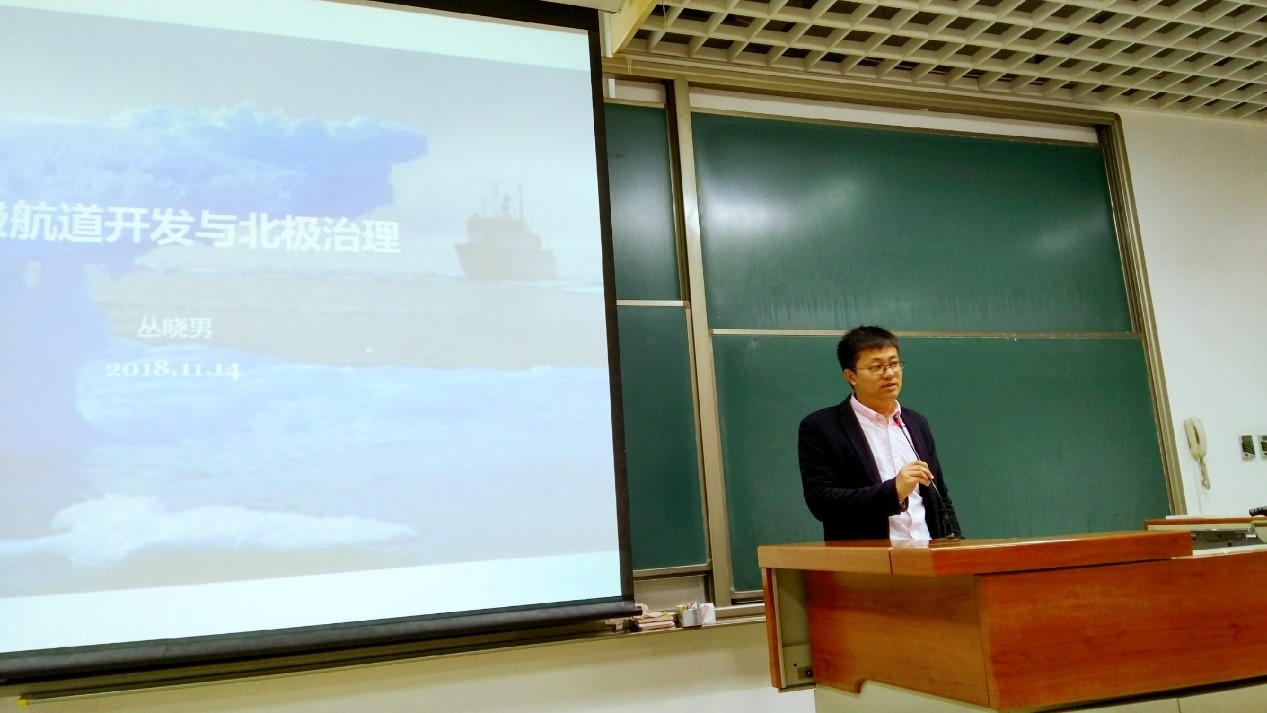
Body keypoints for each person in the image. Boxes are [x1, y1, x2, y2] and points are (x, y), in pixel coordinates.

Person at [798, 325, 962, 541]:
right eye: (876, 367)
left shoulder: (916, 423)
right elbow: (822, 501)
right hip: (870, 558)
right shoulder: (822, 427)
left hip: (929, 553)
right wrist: (893, 491)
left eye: (894, 364)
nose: (890, 373)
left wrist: (956, 545)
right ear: (851, 376)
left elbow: (940, 494)